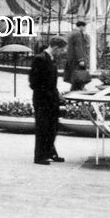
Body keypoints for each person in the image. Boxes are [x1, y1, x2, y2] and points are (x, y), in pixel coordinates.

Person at [29, 36, 67, 165]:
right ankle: (39, 156)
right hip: (42, 99)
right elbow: (34, 82)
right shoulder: (40, 59)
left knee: (52, 127)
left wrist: (56, 95)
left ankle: (50, 152)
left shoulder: (50, 59)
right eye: (61, 50)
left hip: (51, 98)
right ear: (56, 48)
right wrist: (48, 93)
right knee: (43, 127)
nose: (62, 53)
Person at [64, 21, 90, 90]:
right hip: (77, 59)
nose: (85, 28)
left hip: (72, 58)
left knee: (75, 75)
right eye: (84, 27)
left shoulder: (72, 33)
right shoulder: (78, 34)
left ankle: (78, 89)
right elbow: (78, 47)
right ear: (81, 26)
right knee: (79, 76)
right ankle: (78, 89)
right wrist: (81, 59)